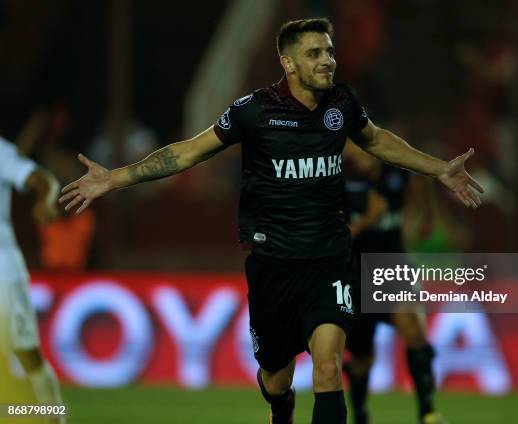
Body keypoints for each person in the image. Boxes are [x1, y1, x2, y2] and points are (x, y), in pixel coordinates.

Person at [59, 18, 483, 424]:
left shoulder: (342, 103)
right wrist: (115, 178)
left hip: (330, 257)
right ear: (288, 62)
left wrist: (439, 168)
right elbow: (187, 152)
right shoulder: (254, 111)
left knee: (328, 369)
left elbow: (377, 140)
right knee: (277, 379)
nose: (327, 60)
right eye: (314, 53)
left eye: (330, 51)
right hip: (273, 265)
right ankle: (281, 409)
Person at [343, 144, 445, 424]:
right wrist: (367, 220)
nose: (356, 156)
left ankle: (428, 412)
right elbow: (333, 237)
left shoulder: (396, 172)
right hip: (355, 275)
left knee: (414, 330)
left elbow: (423, 180)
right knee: (362, 359)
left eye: (362, 150)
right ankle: (361, 413)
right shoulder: (341, 181)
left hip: (392, 267)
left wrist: (427, 217)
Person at [0, 137, 65, 423]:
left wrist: (45, 201)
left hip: (2, 273)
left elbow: (43, 180)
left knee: (28, 356)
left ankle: (53, 418)